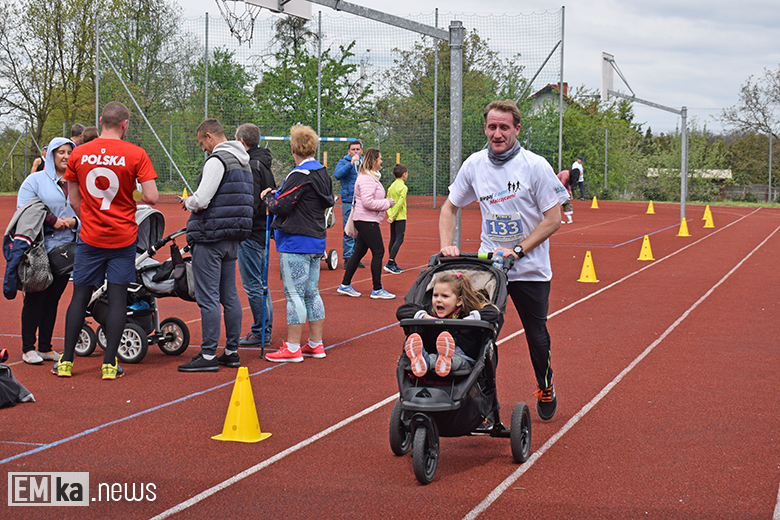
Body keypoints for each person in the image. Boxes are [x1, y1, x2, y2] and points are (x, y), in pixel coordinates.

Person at [439, 99, 568, 421]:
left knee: (536, 335)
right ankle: (482, 399)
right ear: (485, 128)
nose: (497, 134)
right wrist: (446, 246)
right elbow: (449, 208)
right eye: (492, 127)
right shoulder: (474, 164)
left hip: (530, 269)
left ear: (517, 129)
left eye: (504, 127)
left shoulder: (535, 166)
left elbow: (553, 219)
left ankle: (545, 384)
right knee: (480, 333)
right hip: (491, 267)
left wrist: (519, 250)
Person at [52, 101, 159, 380]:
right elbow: (152, 197)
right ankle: (110, 364)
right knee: (118, 298)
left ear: (101, 121)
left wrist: (89, 218)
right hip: (122, 237)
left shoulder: (79, 153)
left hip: (90, 237)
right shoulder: (136, 153)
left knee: (80, 297)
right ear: (125, 124)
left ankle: (66, 361)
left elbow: (73, 199)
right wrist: (129, 194)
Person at [178, 119, 253, 372]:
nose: (203, 148)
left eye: (202, 143)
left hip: (210, 237)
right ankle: (231, 351)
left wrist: (187, 202)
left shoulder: (217, 160)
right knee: (229, 296)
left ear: (210, 136)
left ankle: (208, 354)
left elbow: (202, 200)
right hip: (233, 236)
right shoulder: (244, 162)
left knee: (208, 297)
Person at [261, 124, 335, 363]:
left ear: (293, 148)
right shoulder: (322, 172)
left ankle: (293, 347)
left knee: (294, 294)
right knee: (311, 293)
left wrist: (267, 197)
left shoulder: (299, 174)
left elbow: (281, 206)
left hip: (296, 241)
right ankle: (315, 343)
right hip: (316, 239)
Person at [16, 137, 78, 364]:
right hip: (40, 248)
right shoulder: (35, 180)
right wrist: (52, 221)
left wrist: (75, 222)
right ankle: (28, 348)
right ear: (51, 154)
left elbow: (86, 211)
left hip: (67, 251)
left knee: (53, 299)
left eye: (69, 152)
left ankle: (45, 347)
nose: (65, 156)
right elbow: (24, 210)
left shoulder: (77, 181)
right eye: (60, 152)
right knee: (35, 297)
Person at [397, 271, 500, 377]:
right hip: (434, 354)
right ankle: (421, 358)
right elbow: (402, 311)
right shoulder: (429, 312)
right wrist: (426, 317)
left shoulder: (465, 313)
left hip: (463, 359)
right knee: (432, 357)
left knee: (454, 361)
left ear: (459, 301)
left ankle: (435, 361)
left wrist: (467, 321)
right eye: (435, 295)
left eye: (445, 296)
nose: (438, 300)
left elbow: (493, 313)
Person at [235, 123, 276, 349]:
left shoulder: (251, 165)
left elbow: (250, 203)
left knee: (253, 285)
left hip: (251, 231)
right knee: (260, 284)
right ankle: (264, 329)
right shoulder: (263, 162)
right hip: (261, 229)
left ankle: (261, 330)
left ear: (242, 142)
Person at [337, 148, 396, 299]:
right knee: (378, 251)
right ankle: (377, 289)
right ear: (374, 161)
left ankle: (345, 284)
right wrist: (387, 203)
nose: (381, 161)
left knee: (359, 252)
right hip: (366, 220)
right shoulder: (367, 179)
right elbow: (368, 202)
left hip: (366, 219)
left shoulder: (370, 177)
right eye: (380, 158)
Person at [333, 140, 365, 269]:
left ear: (361, 151)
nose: (355, 152)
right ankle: (348, 257)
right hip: (348, 200)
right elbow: (337, 174)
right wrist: (351, 164)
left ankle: (356, 258)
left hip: (362, 201)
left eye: (357, 149)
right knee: (348, 229)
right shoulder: (343, 162)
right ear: (349, 151)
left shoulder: (364, 163)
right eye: (353, 149)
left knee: (361, 230)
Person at [384, 163, 408, 274]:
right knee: (399, 239)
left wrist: (390, 215)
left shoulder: (392, 186)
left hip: (393, 216)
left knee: (393, 239)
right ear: (404, 174)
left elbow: (388, 201)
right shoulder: (403, 187)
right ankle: (390, 262)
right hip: (400, 216)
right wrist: (393, 215)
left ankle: (392, 262)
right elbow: (399, 203)